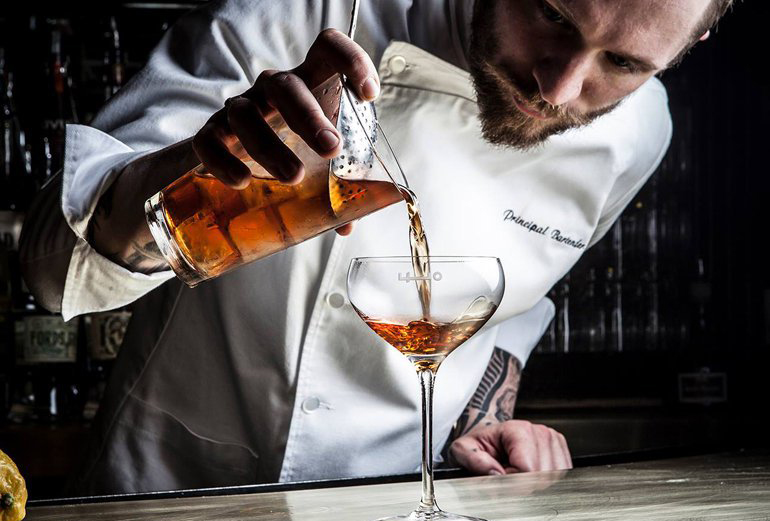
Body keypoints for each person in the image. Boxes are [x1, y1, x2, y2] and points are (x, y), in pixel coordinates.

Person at [19, 0, 731, 495]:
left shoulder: (640, 135)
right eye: (551, 14)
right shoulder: (297, 14)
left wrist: (490, 421)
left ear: (687, 46)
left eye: (625, 62)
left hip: (389, 500)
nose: (559, 86)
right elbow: (54, 269)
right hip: (178, 485)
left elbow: (515, 304)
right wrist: (196, 176)